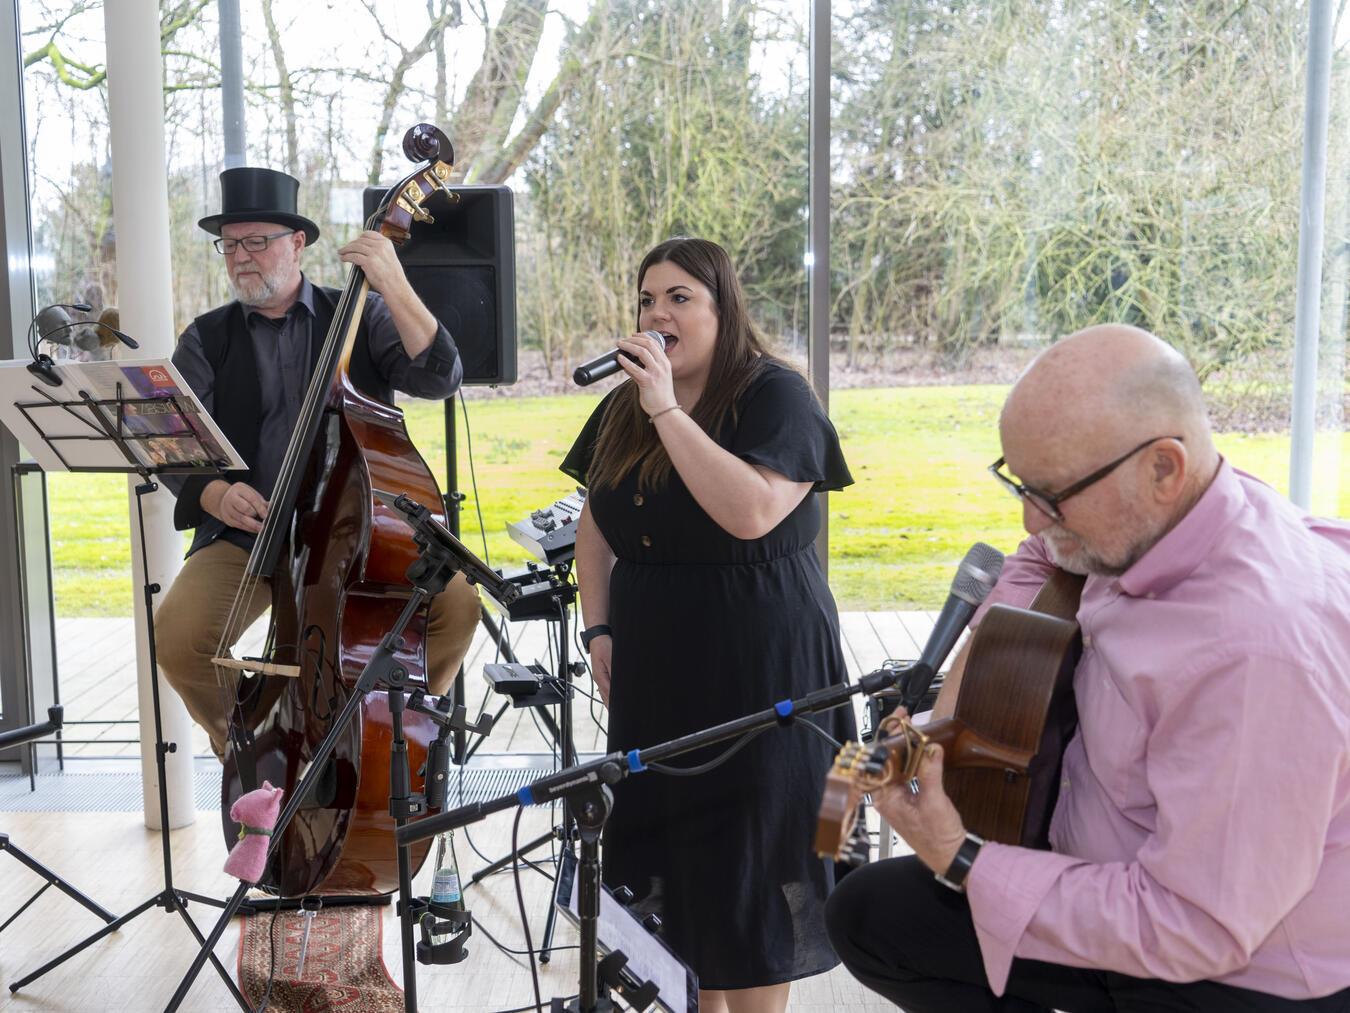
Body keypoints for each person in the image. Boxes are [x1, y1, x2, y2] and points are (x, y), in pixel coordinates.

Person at [826, 324, 1350, 1012]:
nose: (1029, 517)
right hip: (1114, 855)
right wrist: (950, 716)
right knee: (869, 917)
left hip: (1221, 969)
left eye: (1051, 495)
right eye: (1018, 482)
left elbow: (1194, 926)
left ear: (1163, 467)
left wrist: (959, 854)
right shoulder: (1175, 510)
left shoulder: (1255, 655)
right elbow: (1039, 556)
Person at [562, 237, 857, 1013]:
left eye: (680, 298)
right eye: (646, 300)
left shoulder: (775, 396)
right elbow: (593, 532)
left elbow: (751, 511)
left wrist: (664, 407)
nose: (658, 315)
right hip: (657, 662)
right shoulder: (625, 406)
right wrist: (598, 631)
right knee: (677, 856)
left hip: (760, 661)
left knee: (752, 864)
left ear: (724, 309)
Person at [155, 166, 481, 759]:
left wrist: (393, 282)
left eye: (258, 241)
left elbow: (441, 377)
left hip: (357, 525)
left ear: (297, 243)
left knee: (456, 604)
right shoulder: (205, 338)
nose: (241, 257)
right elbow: (175, 446)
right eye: (230, 244)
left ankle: (389, 733)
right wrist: (212, 495)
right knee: (180, 639)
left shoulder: (361, 313)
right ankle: (254, 753)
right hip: (249, 533)